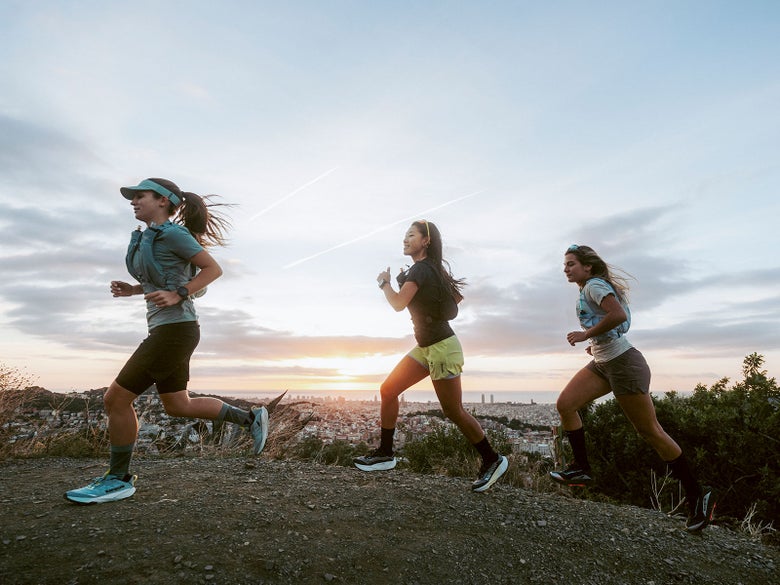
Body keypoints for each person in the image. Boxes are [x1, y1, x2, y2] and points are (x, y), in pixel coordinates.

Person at [65, 178, 272, 505]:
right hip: (171, 330)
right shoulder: (151, 236)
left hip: (175, 332)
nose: (133, 201)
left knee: (115, 400)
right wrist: (134, 290)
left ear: (163, 200)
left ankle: (118, 480)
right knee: (178, 405)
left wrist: (180, 294)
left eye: (140, 196)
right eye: (133, 197)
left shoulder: (174, 234)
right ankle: (250, 418)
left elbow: (212, 269)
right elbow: (164, 277)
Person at [550, 244, 715, 532]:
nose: (566, 269)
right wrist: (596, 343)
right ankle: (581, 469)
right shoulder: (588, 289)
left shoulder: (594, 286)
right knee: (566, 404)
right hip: (604, 363)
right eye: (564, 264)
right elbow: (611, 322)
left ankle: (698, 497)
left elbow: (618, 316)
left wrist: (585, 335)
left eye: (571, 264)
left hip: (624, 365)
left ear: (588, 266)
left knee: (650, 431)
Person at [353, 220, 508, 492]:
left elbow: (398, 304)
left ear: (426, 241)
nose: (405, 239)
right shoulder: (431, 269)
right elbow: (454, 300)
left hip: (442, 348)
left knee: (453, 411)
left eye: (411, 235)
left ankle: (492, 459)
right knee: (388, 390)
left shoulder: (421, 269)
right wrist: (420, 293)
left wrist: (384, 283)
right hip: (427, 347)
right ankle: (385, 454)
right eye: (404, 235)